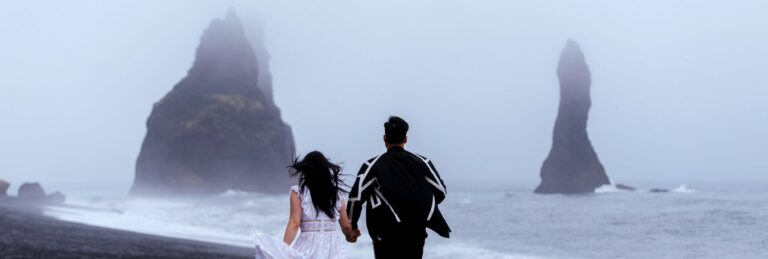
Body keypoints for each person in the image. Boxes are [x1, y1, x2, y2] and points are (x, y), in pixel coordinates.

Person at [346, 116, 451, 259]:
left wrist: (351, 227)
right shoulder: (422, 162)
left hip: (384, 233)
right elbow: (441, 192)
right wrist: (418, 205)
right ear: (405, 139)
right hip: (415, 231)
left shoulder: (372, 165)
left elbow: (356, 198)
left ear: (384, 138)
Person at [254, 151, 360, 259]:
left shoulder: (299, 192)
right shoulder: (337, 194)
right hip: (332, 249)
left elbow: (294, 223)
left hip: (308, 247)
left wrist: (283, 249)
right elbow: (346, 226)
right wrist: (350, 236)